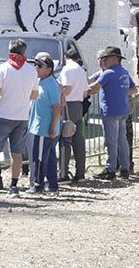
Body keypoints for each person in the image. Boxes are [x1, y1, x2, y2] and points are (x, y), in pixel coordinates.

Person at [0, 38, 39, 197]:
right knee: (17, 152)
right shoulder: (31, 71)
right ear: (24, 52)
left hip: (3, 114)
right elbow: (34, 94)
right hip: (22, 116)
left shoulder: (2, 68)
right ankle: (14, 186)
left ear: (9, 51)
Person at [86, 47, 137, 180]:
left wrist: (83, 92)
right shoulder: (124, 72)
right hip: (123, 110)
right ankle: (125, 169)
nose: (104, 61)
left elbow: (95, 87)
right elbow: (134, 89)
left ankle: (110, 169)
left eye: (106, 58)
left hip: (110, 111)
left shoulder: (108, 73)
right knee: (122, 141)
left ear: (115, 59)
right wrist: (122, 93)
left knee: (111, 141)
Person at [27, 53, 63, 194]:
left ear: (49, 69)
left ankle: (38, 184)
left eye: (40, 66)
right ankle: (52, 184)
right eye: (36, 64)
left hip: (44, 128)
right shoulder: (41, 82)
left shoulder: (51, 84)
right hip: (39, 126)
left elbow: (57, 107)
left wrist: (53, 127)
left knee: (40, 156)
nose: (36, 68)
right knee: (49, 156)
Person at [58, 47, 88, 183]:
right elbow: (85, 92)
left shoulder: (67, 69)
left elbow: (67, 88)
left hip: (68, 105)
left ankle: (63, 174)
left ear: (66, 57)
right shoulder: (81, 70)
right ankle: (80, 173)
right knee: (78, 139)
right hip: (78, 104)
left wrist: (60, 94)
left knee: (66, 139)